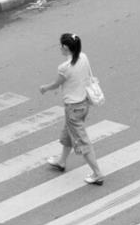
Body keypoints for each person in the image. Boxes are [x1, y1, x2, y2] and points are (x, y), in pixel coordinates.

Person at [39, 33, 104, 186]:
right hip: (84, 105)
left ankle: (97, 174)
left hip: (73, 108)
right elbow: (88, 76)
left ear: (66, 48)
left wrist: (44, 88)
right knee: (69, 132)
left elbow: (57, 84)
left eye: (61, 45)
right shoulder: (84, 57)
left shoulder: (64, 67)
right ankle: (61, 161)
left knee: (83, 143)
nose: (60, 48)